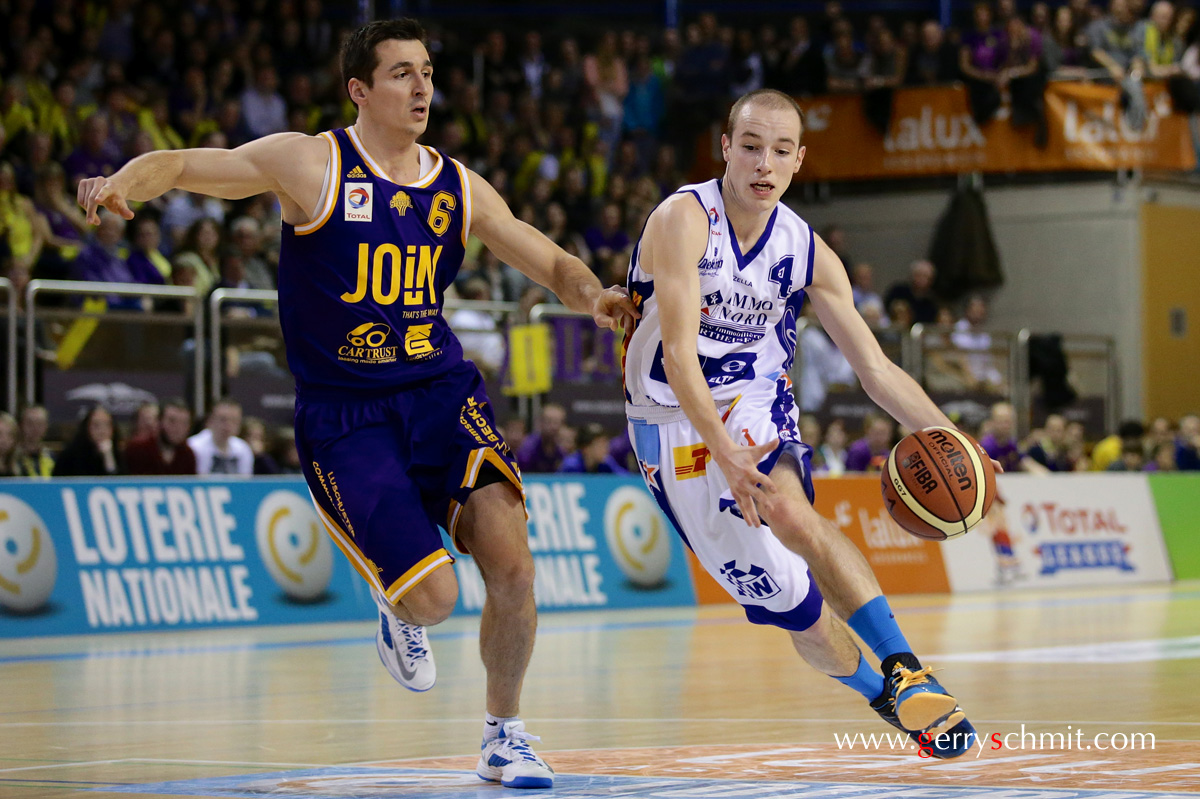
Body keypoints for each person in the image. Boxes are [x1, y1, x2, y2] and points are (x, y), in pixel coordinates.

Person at [78, 18, 633, 789]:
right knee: (434, 599)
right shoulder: (311, 164)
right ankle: (395, 598)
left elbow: (539, 252)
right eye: (402, 73)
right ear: (359, 89)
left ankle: (504, 736)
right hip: (346, 413)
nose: (422, 87)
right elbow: (182, 164)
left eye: (428, 72)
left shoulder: (455, 183)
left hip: (439, 391)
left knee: (513, 564)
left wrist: (592, 294)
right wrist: (118, 186)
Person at [622, 88, 1000, 760]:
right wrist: (722, 453)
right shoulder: (684, 219)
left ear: (801, 160)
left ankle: (906, 665)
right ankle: (878, 690)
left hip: (757, 398)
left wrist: (955, 438)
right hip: (669, 415)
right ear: (726, 148)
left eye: (780, 150)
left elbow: (877, 370)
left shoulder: (807, 250)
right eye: (750, 146)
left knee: (789, 509)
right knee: (797, 609)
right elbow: (679, 355)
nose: (764, 163)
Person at [125, 398, 197, 475]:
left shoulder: (188, 455)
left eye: (184, 423)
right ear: (159, 421)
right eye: (172, 421)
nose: (178, 428)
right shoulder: (137, 449)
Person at [187, 398, 254, 476]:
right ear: (210, 421)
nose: (228, 426)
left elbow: (246, 482)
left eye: (234, 420)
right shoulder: (193, 447)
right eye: (223, 420)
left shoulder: (243, 449)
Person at [53, 405, 123, 477]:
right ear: (87, 427)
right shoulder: (70, 455)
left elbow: (121, 483)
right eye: (96, 425)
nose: (102, 431)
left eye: (107, 425)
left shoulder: (118, 455)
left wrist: (108, 457)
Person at [559, 423, 627, 474]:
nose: (606, 449)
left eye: (605, 444)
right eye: (600, 445)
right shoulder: (571, 466)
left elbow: (626, 478)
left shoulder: (606, 462)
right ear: (586, 448)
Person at [14, 405, 55, 477]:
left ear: (46, 426)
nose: (35, 428)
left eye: (40, 424)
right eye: (30, 423)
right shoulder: (11, 458)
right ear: (20, 425)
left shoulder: (52, 457)